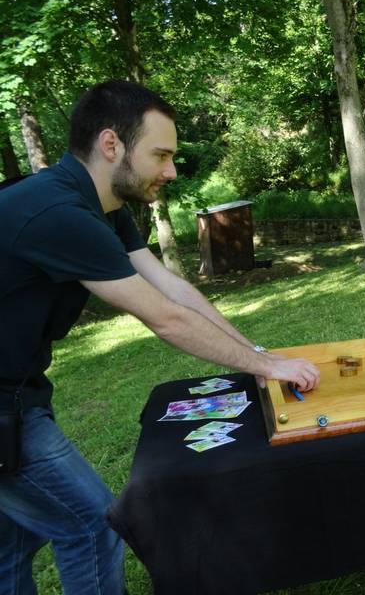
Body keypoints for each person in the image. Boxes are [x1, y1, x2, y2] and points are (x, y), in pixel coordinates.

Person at [0, 80, 320, 594]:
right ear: (112, 145)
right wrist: (266, 369)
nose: (170, 171)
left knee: (13, 543)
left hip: (18, 397)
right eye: (161, 155)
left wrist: (260, 356)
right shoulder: (58, 213)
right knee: (90, 523)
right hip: (5, 407)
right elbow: (163, 319)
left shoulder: (102, 208)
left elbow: (172, 288)